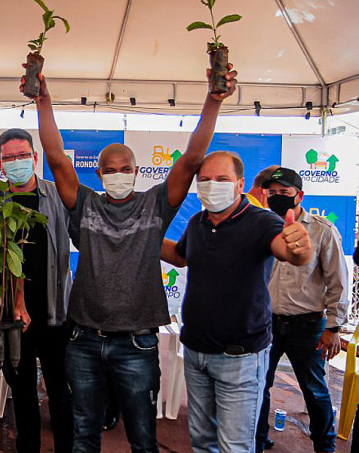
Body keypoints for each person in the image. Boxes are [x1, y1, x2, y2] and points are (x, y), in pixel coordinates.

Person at [23, 63, 238, 452]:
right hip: (83, 340)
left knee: (143, 438)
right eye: (110, 170)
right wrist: (43, 99)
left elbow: (190, 160)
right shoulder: (84, 204)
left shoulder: (156, 205)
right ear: (100, 173)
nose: (118, 175)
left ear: (137, 171)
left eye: (125, 169)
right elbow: (55, 158)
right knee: (83, 434)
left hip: (137, 344)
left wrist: (213, 100)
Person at [161, 152, 313, 453]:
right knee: (202, 442)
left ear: (240, 184)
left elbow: (289, 252)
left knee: (235, 447)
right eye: (205, 180)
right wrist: (140, 234)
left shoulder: (262, 221)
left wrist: (300, 248)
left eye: (222, 180)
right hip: (196, 352)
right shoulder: (198, 221)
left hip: (240, 359)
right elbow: (180, 256)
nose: (211, 186)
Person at [255, 167, 348, 453]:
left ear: (300, 195)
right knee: (258, 387)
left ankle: (324, 446)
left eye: (285, 193)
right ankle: (258, 440)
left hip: (307, 327)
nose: (278, 198)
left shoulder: (322, 230)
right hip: (266, 324)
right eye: (272, 193)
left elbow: (339, 282)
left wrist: (333, 328)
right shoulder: (260, 227)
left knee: (315, 390)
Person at [0, 128, 74, 453]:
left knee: (61, 392)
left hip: (56, 314)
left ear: (35, 158)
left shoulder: (57, 196)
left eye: (22, 155)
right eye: (10, 157)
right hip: (14, 319)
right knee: (24, 394)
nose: (17, 162)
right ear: (0, 163)